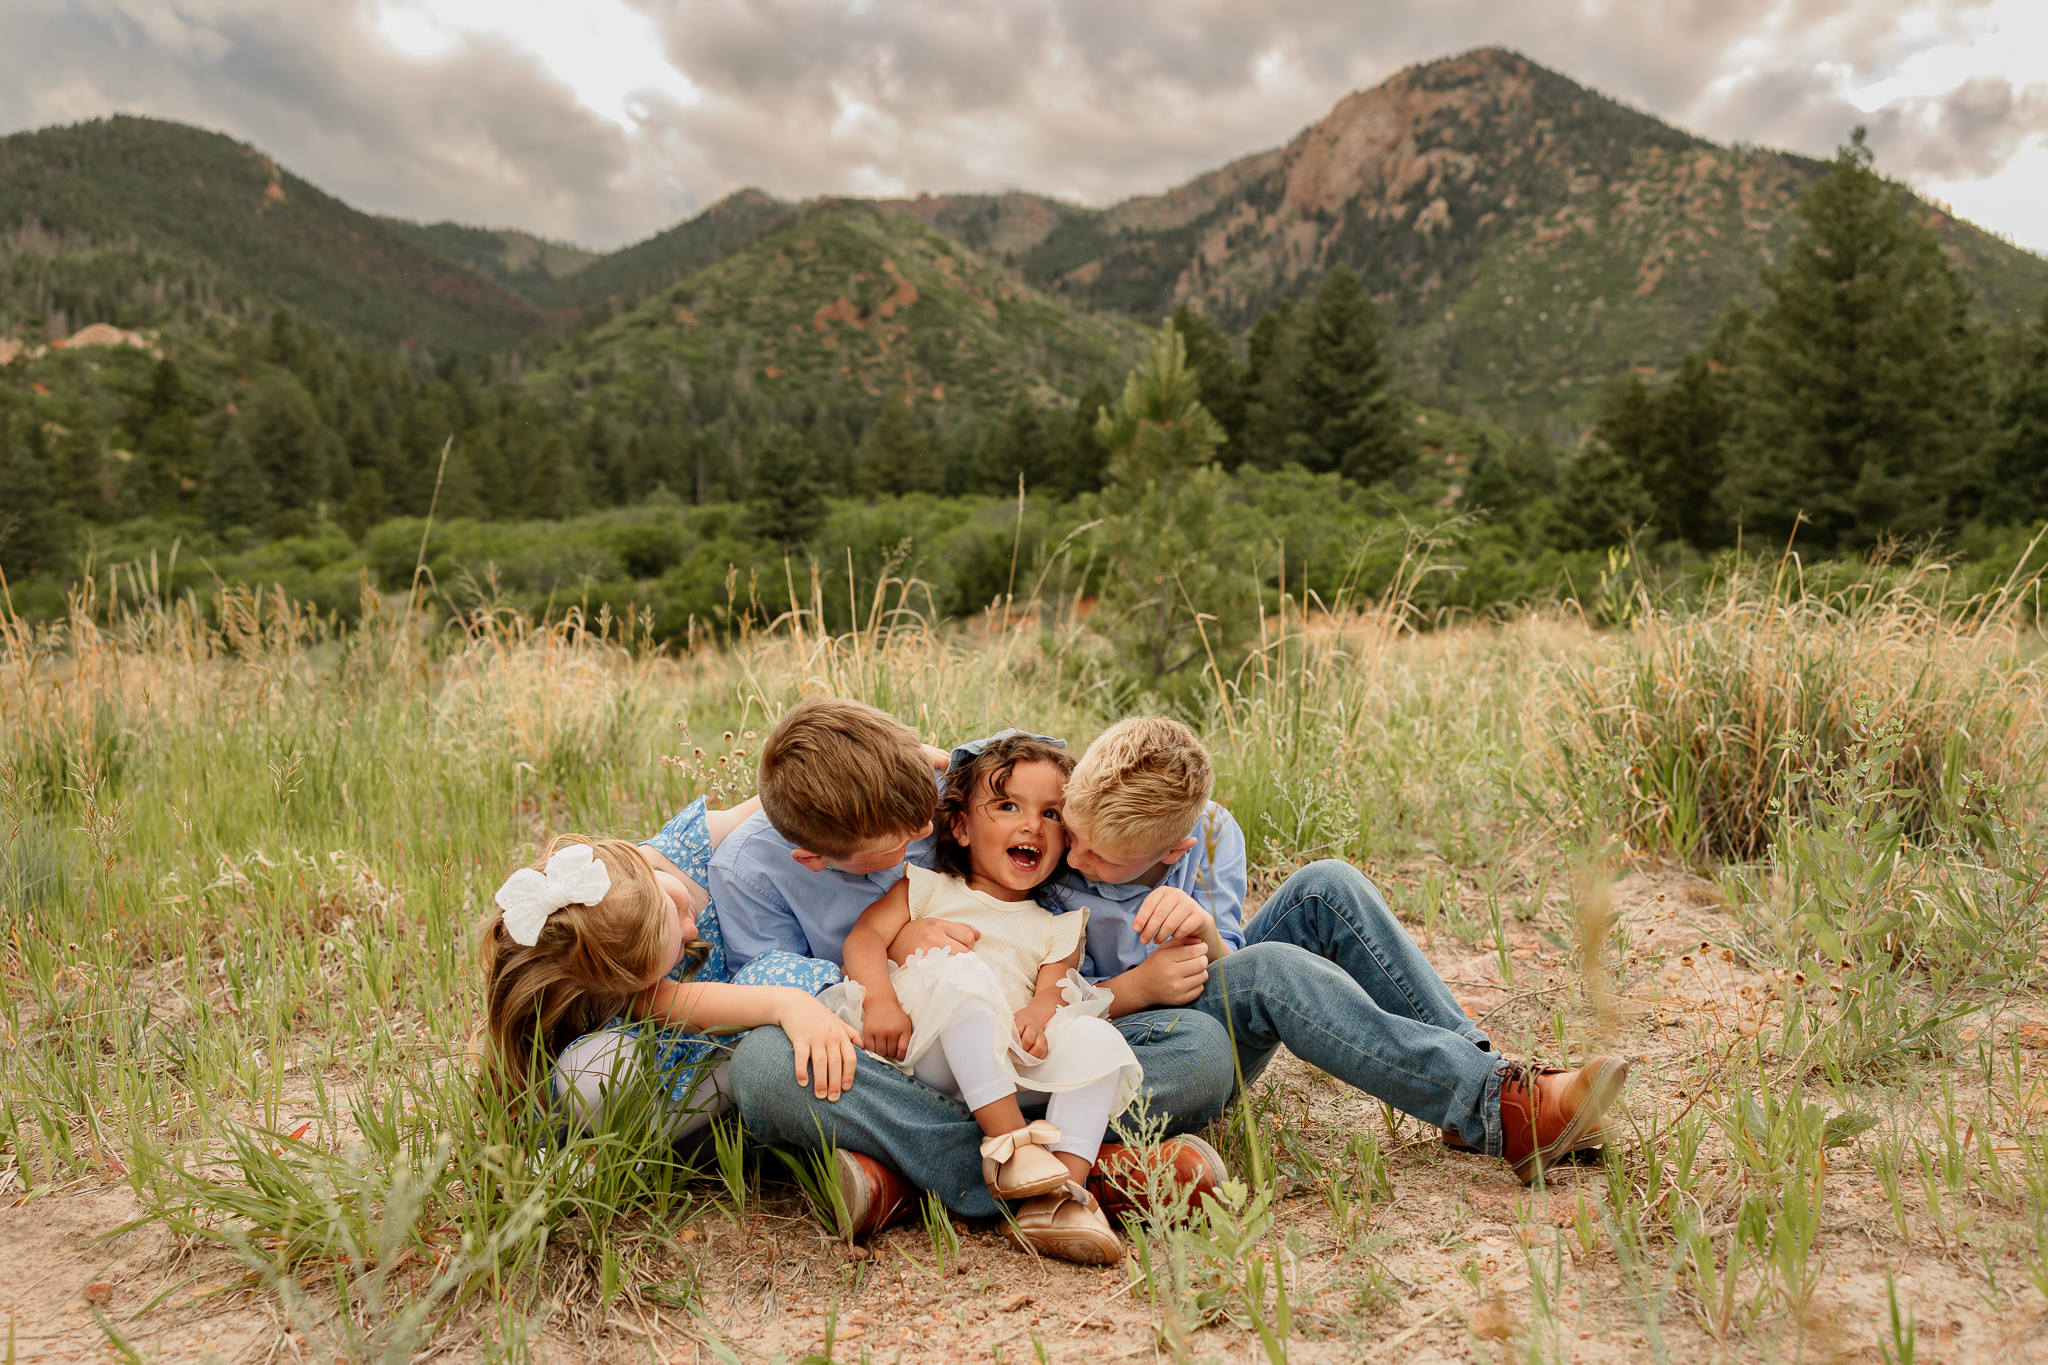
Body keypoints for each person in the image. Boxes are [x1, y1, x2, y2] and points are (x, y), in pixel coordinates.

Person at [713, 699, 1234, 1231]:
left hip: (1013, 1060)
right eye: (898, 840)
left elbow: (1066, 786)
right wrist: (892, 964)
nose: (923, 832)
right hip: (896, 1055)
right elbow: (798, 986)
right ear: (815, 857)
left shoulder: (933, 791)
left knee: (1203, 1047)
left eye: (1052, 816)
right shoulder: (751, 873)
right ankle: (1078, 1179)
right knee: (764, 1067)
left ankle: (916, 1176)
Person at [1052, 716, 1628, 1184]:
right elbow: (1044, 1011)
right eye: (1073, 834)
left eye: (1101, 857)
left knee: (1328, 886)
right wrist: (1144, 984)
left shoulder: (1213, 833)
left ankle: (1489, 1084)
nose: (1073, 857)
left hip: (1198, 1004)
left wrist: (1201, 929)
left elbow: (1227, 968)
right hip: (1132, 1045)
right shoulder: (1057, 843)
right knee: (1270, 972)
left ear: (1178, 847)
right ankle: (1499, 1105)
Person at [840, 735, 1145, 1263]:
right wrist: (880, 1002)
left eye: (1052, 814)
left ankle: (1056, 1199)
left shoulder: (1058, 927)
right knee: (964, 976)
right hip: (930, 1046)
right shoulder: (928, 888)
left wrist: (1036, 1013)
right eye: (1008, 806)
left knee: (1098, 1036)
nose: (1032, 825)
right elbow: (864, 939)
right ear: (960, 826)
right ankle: (1012, 1150)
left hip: (1008, 1062)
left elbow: (1057, 989)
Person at [478, 822, 864, 1146]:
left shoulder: (684, 847)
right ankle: (644, 1147)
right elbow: (741, 1004)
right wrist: (791, 1005)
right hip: (692, 1075)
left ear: (639, 866)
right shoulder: (632, 987)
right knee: (595, 1074)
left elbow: (775, 804)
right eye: (680, 947)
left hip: (719, 1048)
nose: (691, 928)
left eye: (677, 910)